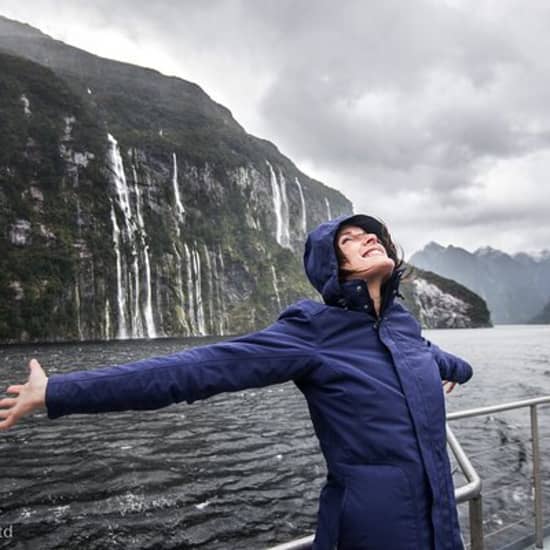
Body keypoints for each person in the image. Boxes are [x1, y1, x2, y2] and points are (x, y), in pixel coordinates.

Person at [0, 214, 473, 550]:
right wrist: (56, 392)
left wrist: (451, 373)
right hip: (374, 531)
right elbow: (193, 369)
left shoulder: (403, 327)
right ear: (333, 266)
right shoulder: (313, 332)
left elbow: (436, 358)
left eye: (374, 234)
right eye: (350, 239)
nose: (369, 239)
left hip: (442, 525)